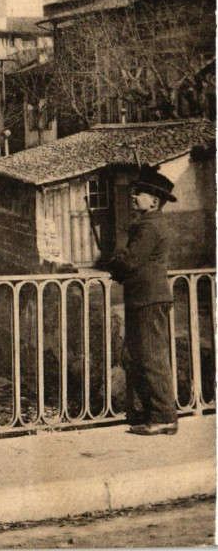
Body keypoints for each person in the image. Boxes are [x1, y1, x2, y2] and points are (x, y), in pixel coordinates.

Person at [107, 164, 178, 436]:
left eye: (140, 193)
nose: (134, 196)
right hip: (144, 299)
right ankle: (150, 413)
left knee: (151, 358)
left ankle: (163, 417)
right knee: (137, 356)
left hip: (149, 300)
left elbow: (130, 262)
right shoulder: (149, 224)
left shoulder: (150, 227)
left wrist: (112, 264)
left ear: (154, 201)